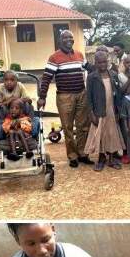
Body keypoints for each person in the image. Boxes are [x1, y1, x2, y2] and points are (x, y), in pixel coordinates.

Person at [37, 30, 93, 168]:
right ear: (60, 40)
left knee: (83, 126)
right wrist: (42, 97)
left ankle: (83, 153)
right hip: (64, 96)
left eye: (71, 37)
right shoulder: (54, 57)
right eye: (65, 37)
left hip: (81, 94)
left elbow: (91, 68)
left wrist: (106, 70)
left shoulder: (79, 55)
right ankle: (72, 156)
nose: (69, 39)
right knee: (67, 127)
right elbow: (46, 78)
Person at [85, 51, 125, 172]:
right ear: (95, 63)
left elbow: (117, 95)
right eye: (99, 62)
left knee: (112, 134)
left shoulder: (113, 74)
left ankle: (112, 158)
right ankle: (101, 158)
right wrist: (92, 113)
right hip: (99, 110)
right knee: (101, 135)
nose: (102, 64)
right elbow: (89, 97)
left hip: (112, 110)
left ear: (107, 62)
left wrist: (118, 111)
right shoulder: (92, 77)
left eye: (104, 62)